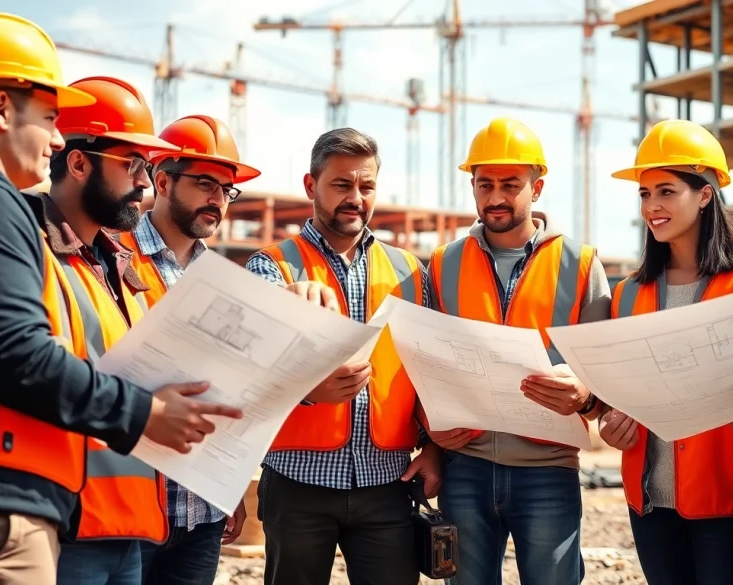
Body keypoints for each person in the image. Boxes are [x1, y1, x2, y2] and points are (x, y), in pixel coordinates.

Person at [0, 14, 236, 585]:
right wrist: (146, 413)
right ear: (1, 108)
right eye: (49, 119)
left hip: (39, 507)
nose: (57, 139)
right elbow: (19, 357)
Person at [245, 127, 442, 585]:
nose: (355, 198)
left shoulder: (411, 272)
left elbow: (433, 374)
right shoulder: (270, 267)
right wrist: (309, 390)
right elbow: (251, 370)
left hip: (388, 484)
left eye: (366, 186)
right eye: (341, 185)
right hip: (297, 483)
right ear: (310, 185)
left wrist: (434, 449)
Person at [424, 117, 610, 585]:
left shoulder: (580, 264)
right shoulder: (444, 263)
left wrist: (586, 395)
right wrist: (429, 436)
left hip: (548, 469)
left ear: (537, 187)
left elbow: (603, 378)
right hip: (465, 466)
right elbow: (424, 364)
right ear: (472, 186)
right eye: (484, 184)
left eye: (510, 184)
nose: (496, 197)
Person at [601, 119, 733, 584]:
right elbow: (618, 392)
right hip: (651, 502)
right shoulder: (629, 293)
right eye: (645, 194)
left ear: (705, 194)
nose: (652, 206)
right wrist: (610, 421)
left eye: (666, 191)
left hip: (730, 496)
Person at [119, 114, 260, 585]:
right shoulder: (111, 257)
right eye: (205, 184)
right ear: (162, 181)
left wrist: (228, 486)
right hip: (131, 505)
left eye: (226, 190)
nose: (217, 199)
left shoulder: (222, 280)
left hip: (201, 512)